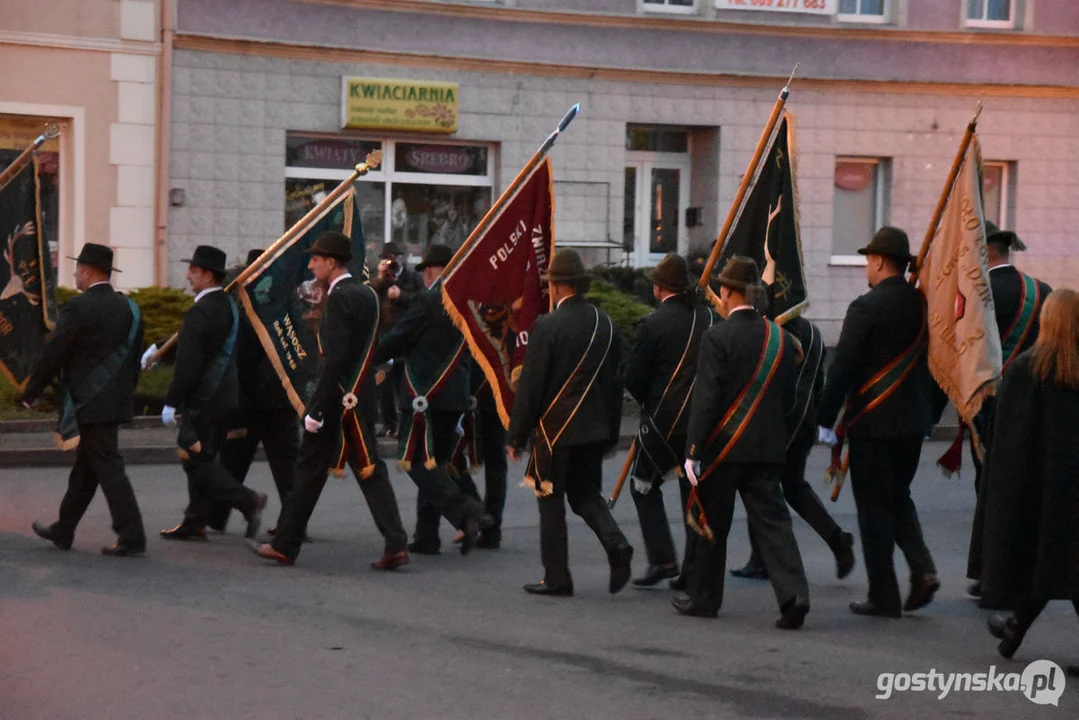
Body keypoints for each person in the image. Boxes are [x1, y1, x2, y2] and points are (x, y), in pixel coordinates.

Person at [253, 232, 409, 568]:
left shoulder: (339, 298)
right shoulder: (366, 293)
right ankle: (394, 542)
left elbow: (334, 358)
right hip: (360, 396)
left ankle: (286, 543)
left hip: (339, 401)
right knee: (364, 471)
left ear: (331, 262)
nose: (310, 265)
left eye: (315, 259)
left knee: (312, 468)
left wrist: (317, 407)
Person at [674, 257, 809, 630]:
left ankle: (704, 599)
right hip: (766, 447)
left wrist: (693, 450)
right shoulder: (780, 338)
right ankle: (794, 595)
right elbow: (787, 399)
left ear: (730, 293)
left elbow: (706, 399)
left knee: (711, 523)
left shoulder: (718, 337)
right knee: (774, 524)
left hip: (723, 448)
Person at [817, 227, 938, 618]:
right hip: (913, 423)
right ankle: (922, 569)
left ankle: (883, 595)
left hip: (874, 424)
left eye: (869, 259)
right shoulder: (922, 304)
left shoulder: (866, 307)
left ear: (881, 261)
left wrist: (825, 419)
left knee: (873, 509)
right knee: (898, 497)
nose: (866, 267)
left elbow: (844, 368)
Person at [507, 249, 633, 597]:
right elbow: (613, 384)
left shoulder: (547, 326)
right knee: (586, 495)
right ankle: (617, 543)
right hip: (594, 429)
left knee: (549, 501)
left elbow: (532, 386)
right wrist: (610, 432)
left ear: (558, 287)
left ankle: (557, 577)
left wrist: (516, 435)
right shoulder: (606, 324)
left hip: (555, 433)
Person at [22, 243, 146, 556]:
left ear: (88, 271)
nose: (75, 274)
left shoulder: (79, 307)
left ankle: (132, 536)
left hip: (89, 402)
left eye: (78, 269)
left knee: (107, 466)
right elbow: (133, 362)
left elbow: (55, 351)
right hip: (114, 401)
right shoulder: (130, 309)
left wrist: (31, 392)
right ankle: (64, 529)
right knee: (87, 469)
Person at [980, 289, 1079, 678]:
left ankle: (1014, 632)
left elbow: (1007, 439)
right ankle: (1013, 632)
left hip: (1038, 490)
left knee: (1050, 563)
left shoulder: (1026, 370)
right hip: (1073, 493)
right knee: (1061, 565)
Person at [373, 243, 492, 555]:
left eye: (431, 267)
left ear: (439, 270)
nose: (426, 272)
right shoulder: (466, 302)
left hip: (426, 395)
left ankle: (466, 509)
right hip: (455, 395)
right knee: (434, 461)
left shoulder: (430, 300)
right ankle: (427, 536)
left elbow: (399, 337)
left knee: (416, 462)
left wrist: (368, 356)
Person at [730, 292, 855, 582]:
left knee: (758, 484)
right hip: (805, 420)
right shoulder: (813, 332)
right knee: (792, 486)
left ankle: (765, 559)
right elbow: (819, 380)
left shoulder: (771, 331)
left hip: (778, 422)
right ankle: (836, 539)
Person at [151, 245, 268, 542]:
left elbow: (189, 363)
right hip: (226, 397)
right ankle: (195, 520)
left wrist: (171, 402)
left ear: (205, 274)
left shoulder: (201, 311)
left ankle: (247, 500)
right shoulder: (227, 307)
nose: (188, 275)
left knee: (196, 460)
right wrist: (159, 348)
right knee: (202, 458)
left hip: (204, 401)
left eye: (192, 270)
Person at [965, 227, 1052, 600]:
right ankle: (1025, 574)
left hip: (993, 407)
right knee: (1029, 492)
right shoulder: (1044, 291)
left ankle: (996, 578)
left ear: (984, 253)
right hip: (1040, 410)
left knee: (993, 494)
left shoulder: (980, 294)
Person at [623, 253, 713, 587]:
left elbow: (634, 377)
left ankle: (662, 560)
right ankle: (692, 571)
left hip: (662, 425)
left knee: (642, 486)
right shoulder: (709, 318)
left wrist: (649, 401)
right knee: (692, 495)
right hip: (701, 424)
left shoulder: (653, 324)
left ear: (659, 288)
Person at [206, 249, 299, 535]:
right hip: (280, 399)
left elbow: (241, 357)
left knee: (235, 459)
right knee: (284, 467)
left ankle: (217, 518)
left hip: (252, 400)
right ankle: (295, 524)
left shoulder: (251, 311)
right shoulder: (286, 307)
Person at [370, 241, 424, 437]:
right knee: (384, 386)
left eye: (393, 259)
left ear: (401, 260)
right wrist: (379, 278)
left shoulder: (413, 278)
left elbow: (421, 300)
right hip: (386, 340)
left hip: (407, 340)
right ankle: (388, 424)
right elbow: (369, 298)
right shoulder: (380, 282)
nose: (391, 264)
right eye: (386, 260)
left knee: (405, 387)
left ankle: (406, 426)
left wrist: (401, 295)